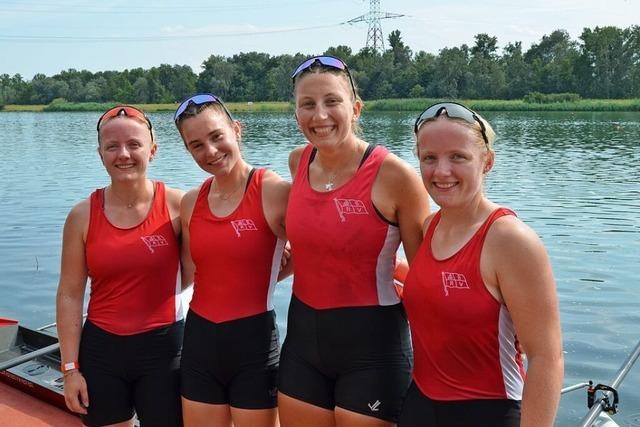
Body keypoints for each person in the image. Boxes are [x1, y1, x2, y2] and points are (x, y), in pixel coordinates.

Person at [278, 55, 430, 427]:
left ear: (355, 107)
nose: (320, 116)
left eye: (332, 102)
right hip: (302, 344)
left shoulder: (394, 175)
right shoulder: (298, 162)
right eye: (307, 104)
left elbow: (427, 272)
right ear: (295, 111)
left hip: (374, 348)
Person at [399, 102, 564, 427]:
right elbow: (450, 288)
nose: (441, 171)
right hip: (419, 407)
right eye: (429, 158)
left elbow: (547, 358)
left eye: (458, 157)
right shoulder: (430, 226)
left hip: (487, 413)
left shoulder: (510, 240)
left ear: (487, 161)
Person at [56, 105, 188, 427]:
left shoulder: (179, 206)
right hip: (102, 351)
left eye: (134, 144)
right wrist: (70, 368)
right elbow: (70, 295)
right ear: (100, 154)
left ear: (152, 150)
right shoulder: (82, 216)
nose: (123, 154)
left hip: (165, 349)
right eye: (112, 146)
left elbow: (216, 262)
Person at [174, 94, 290, 427]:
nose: (210, 151)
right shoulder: (190, 202)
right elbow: (198, 270)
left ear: (237, 130)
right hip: (199, 343)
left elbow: (315, 250)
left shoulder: (273, 190)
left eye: (216, 137)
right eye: (196, 145)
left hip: (253, 345)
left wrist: (268, 271)